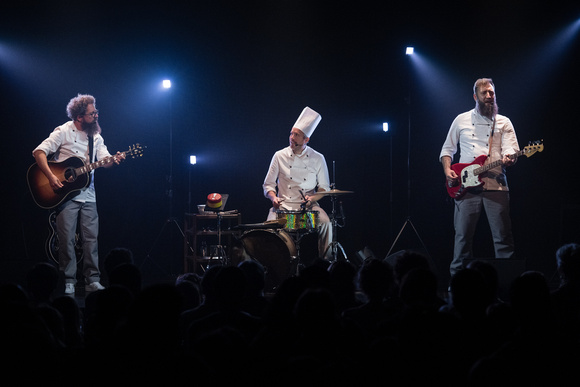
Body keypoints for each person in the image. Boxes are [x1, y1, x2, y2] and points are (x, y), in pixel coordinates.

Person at [32, 94, 125, 296]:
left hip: (89, 194)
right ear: (79, 116)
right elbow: (38, 152)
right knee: (66, 240)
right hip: (65, 196)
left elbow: (105, 161)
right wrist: (51, 177)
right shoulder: (64, 131)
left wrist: (114, 159)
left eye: (96, 112)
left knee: (91, 238)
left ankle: (92, 280)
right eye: (92, 114)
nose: (96, 116)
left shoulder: (96, 137)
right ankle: (69, 280)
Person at [440, 78, 519, 278]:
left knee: (502, 238)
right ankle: (456, 285)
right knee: (462, 238)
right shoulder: (461, 119)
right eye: (484, 93)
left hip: (496, 185)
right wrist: (448, 170)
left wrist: (510, 158)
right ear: (475, 96)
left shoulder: (504, 122)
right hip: (465, 185)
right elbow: (447, 149)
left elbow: (511, 148)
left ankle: (507, 284)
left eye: (491, 93)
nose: (489, 96)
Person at [263, 106, 332, 260]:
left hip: (308, 209)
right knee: (267, 230)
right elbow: (268, 185)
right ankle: (271, 266)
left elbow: (324, 188)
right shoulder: (279, 156)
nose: (292, 138)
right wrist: (273, 198)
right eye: (291, 133)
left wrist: (312, 199)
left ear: (306, 139)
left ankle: (327, 263)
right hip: (283, 206)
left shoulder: (318, 158)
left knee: (326, 223)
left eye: (297, 135)